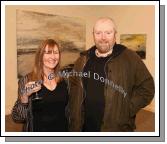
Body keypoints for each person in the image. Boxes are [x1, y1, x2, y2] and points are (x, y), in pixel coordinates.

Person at [68, 17, 155, 132]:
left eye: (108, 33)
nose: (103, 37)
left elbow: (147, 88)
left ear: (115, 35)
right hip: (84, 127)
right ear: (93, 34)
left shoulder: (130, 58)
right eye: (98, 33)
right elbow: (73, 85)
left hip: (114, 129)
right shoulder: (82, 59)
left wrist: (127, 109)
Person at [12, 39, 69, 132]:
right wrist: (24, 97)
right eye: (48, 53)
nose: (53, 56)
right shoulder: (27, 80)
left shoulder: (65, 80)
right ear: (40, 56)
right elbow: (17, 117)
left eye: (56, 52)